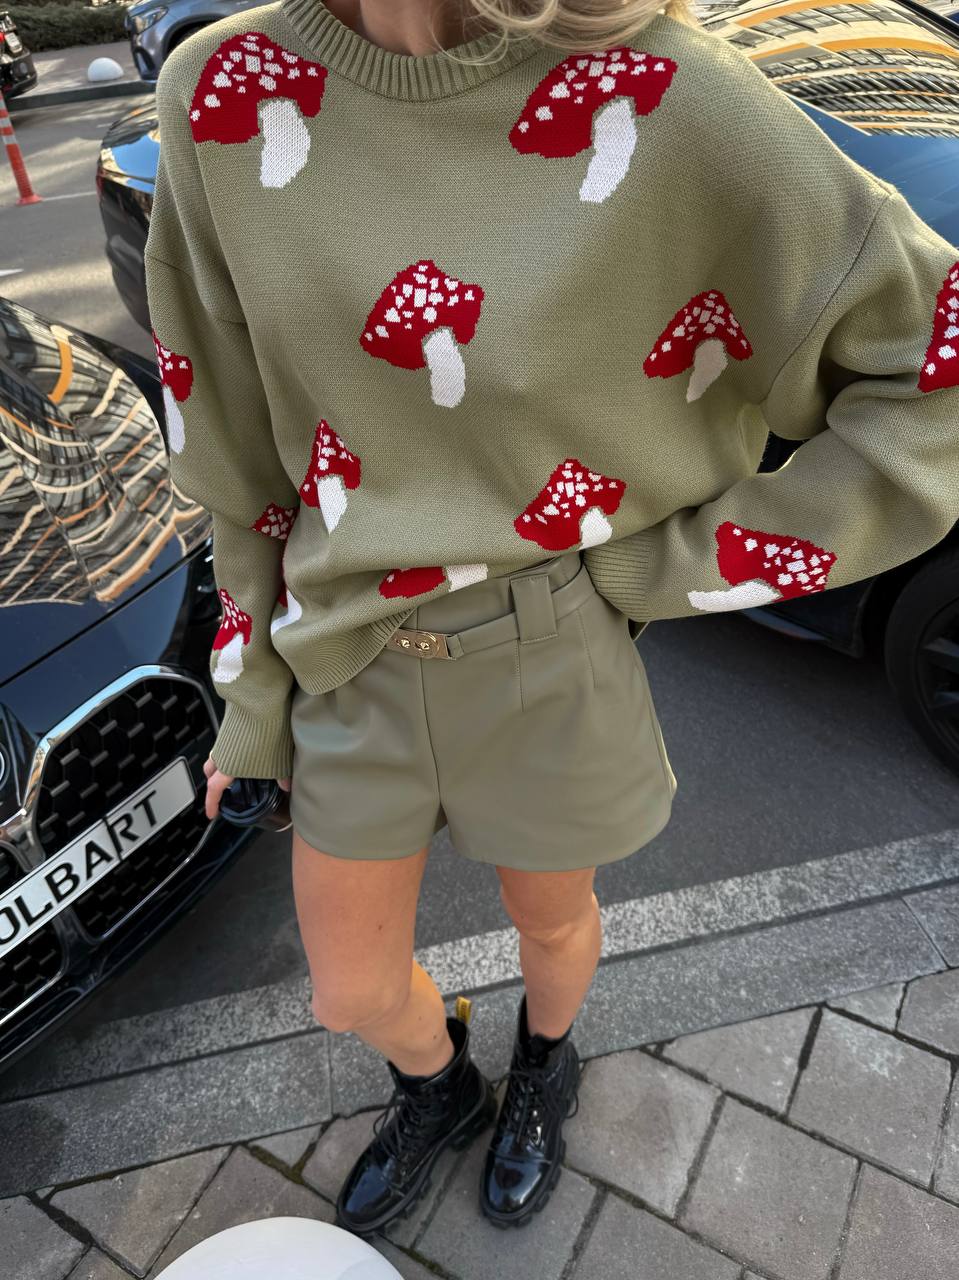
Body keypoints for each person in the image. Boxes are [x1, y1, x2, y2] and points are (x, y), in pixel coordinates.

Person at [143, 0, 959, 1238]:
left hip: (549, 635)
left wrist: (677, 567)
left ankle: (545, 1064)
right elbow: (232, 441)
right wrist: (251, 697)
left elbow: (929, 358)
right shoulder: (218, 84)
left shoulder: (667, 84)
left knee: (554, 920)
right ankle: (436, 1081)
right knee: (349, 986)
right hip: (344, 648)